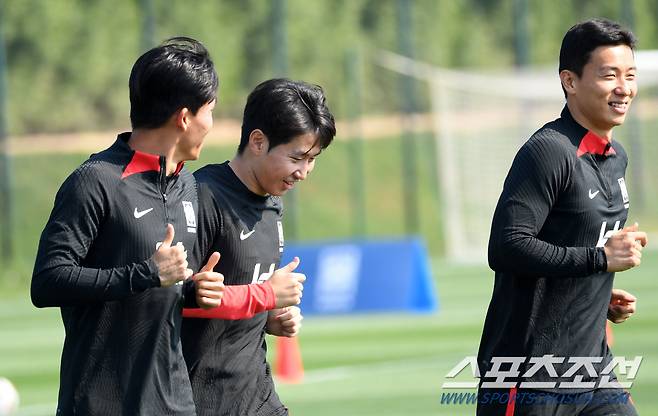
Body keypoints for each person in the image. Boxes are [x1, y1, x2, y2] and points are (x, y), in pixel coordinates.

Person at [31, 37, 225, 415]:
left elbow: (163, 287)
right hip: (100, 406)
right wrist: (147, 273)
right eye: (210, 111)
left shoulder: (186, 184)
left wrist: (192, 290)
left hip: (174, 405)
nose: (212, 125)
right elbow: (47, 281)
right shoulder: (95, 181)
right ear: (184, 118)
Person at [477, 18, 648, 416]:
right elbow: (507, 247)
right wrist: (601, 260)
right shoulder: (548, 152)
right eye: (609, 75)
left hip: (593, 369)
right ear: (570, 81)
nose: (623, 88)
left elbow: (571, 244)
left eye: (630, 75)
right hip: (531, 374)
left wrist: (598, 295)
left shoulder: (615, 156)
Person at [181, 78, 336, 416]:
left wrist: (267, 318)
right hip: (202, 402)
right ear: (257, 141)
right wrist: (264, 295)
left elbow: (241, 293)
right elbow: (170, 302)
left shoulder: (272, 203)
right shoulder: (202, 197)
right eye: (297, 157)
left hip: (258, 399)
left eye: (313, 159)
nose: (304, 172)